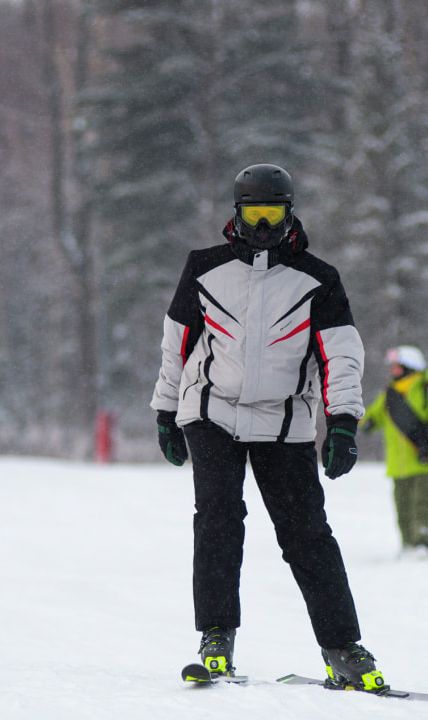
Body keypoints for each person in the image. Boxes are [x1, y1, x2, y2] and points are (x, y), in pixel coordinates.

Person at [151, 163, 387, 693]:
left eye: (273, 213)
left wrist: (343, 424)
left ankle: (342, 648)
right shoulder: (203, 268)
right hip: (211, 412)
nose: (263, 226)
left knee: (307, 534)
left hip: (286, 422)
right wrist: (165, 412)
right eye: (254, 213)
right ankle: (216, 636)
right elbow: (178, 345)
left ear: (289, 213)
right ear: (237, 213)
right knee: (218, 520)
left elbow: (342, 357)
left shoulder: (318, 279)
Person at [361, 346, 428, 556]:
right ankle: (407, 545)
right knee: (402, 507)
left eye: (397, 366)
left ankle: (422, 543)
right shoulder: (390, 394)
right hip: (397, 464)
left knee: (420, 504)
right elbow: (374, 416)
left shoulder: (427, 391)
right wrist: (366, 423)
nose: (393, 370)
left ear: (410, 367)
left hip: (422, 461)